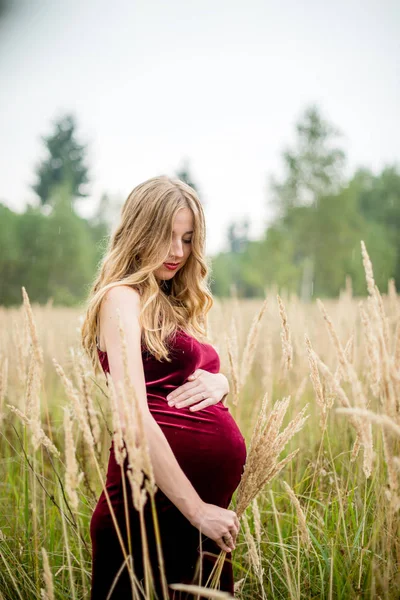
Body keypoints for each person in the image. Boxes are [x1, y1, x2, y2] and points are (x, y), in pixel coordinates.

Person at [81, 175, 247, 599]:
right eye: (166, 237)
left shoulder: (172, 301)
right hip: (149, 511)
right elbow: (133, 416)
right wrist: (197, 510)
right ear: (139, 232)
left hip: (192, 517)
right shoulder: (122, 297)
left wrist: (222, 382)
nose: (177, 251)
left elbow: (182, 378)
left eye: (188, 239)